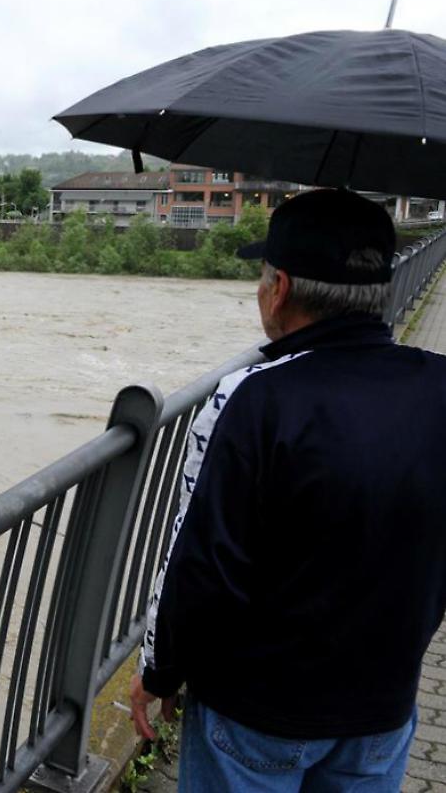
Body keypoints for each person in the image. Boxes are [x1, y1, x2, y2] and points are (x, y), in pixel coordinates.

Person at [128, 188, 446, 792]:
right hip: (381, 707)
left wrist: (160, 670)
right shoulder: (438, 384)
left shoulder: (253, 398)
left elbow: (201, 563)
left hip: (255, 713)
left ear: (279, 289)